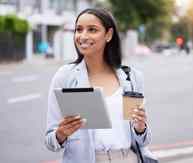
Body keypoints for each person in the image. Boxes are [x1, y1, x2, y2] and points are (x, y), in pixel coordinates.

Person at [45, 8, 151, 163]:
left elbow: (142, 141)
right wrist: (61, 134)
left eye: (92, 30)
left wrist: (140, 128)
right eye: (79, 30)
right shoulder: (65, 76)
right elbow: (50, 141)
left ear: (108, 35)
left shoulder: (131, 78)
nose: (83, 36)